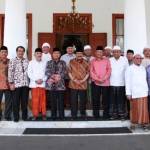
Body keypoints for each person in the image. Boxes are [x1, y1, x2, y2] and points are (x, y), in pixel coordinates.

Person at [126, 54, 149, 130]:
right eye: (137, 58)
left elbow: (144, 80)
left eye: (140, 58)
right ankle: (133, 123)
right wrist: (128, 93)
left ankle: (144, 124)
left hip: (143, 92)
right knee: (134, 108)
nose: (139, 59)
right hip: (134, 92)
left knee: (144, 109)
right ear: (133, 59)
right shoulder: (129, 68)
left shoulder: (143, 68)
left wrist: (146, 90)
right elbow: (127, 81)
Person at [8, 46, 29, 122]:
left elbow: (28, 72)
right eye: (19, 51)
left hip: (25, 84)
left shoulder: (27, 60)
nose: (21, 52)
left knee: (24, 102)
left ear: (24, 52)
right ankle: (16, 117)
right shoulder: (12, 60)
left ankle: (24, 117)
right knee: (16, 102)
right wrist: (11, 83)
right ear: (17, 52)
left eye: (22, 51)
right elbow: (10, 72)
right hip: (16, 85)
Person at [90, 46, 111, 119]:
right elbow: (91, 71)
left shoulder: (107, 60)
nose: (99, 53)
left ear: (103, 53)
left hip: (105, 83)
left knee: (105, 99)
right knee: (95, 99)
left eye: (100, 52)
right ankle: (96, 115)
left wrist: (103, 78)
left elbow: (109, 70)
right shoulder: (92, 61)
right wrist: (97, 79)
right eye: (98, 52)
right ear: (95, 53)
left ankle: (106, 115)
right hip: (95, 83)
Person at [46, 48, 67, 120]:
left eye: (58, 53)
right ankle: (53, 116)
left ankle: (62, 116)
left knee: (61, 101)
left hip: (60, 85)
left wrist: (59, 77)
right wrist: (53, 76)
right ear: (52, 54)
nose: (56, 54)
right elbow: (47, 71)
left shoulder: (63, 62)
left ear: (60, 55)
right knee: (53, 101)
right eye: (55, 53)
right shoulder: (49, 62)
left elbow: (65, 72)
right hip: (51, 85)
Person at [68, 46, 89, 119]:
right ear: (75, 54)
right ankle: (73, 115)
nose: (79, 55)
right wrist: (74, 80)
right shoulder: (71, 61)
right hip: (73, 84)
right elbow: (69, 72)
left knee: (83, 100)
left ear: (82, 54)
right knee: (73, 100)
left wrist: (83, 80)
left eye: (80, 54)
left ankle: (83, 114)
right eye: (78, 54)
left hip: (83, 84)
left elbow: (88, 73)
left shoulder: (86, 62)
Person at [109, 45, 129, 120]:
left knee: (121, 100)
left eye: (118, 52)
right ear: (112, 53)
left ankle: (121, 114)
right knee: (112, 100)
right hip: (111, 83)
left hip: (122, 83)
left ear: (120, 52)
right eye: (114, 52)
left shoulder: (125, 59)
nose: (116, 53)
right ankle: (113, 115)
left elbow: (127, 72)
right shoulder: (110, 60)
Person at [28, 48, 47, 121]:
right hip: (34, 84)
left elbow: (47, 73)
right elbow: (29, 73)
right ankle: (35, 115)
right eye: (37, 53)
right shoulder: (31, 62)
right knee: (35, 100)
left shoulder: (45, 62)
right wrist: (36, 80)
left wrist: (42, 80)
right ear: (34, 54)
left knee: (43, 100)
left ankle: (44, 114)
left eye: (40, 53)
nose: (39, 55)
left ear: (41, 54)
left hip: (42, 84)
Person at [0, 46, 12, 121]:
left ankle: (7, 116)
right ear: (0, 53)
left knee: (8, 102)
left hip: (8, 85)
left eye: (5, 52)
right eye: (2, 52)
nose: (4, 53)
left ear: (7, 53)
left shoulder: (10, 61)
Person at [42, 42, 52, 110]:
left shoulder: (51, 56)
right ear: (42, 48)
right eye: (44, 47)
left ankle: (49, 105)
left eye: (47, 47)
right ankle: (43, 106)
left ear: (49, 49)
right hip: (41, 76)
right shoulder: (40, 55)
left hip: (49, 77)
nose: (45, 48)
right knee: (43, 92)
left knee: (49, 92)